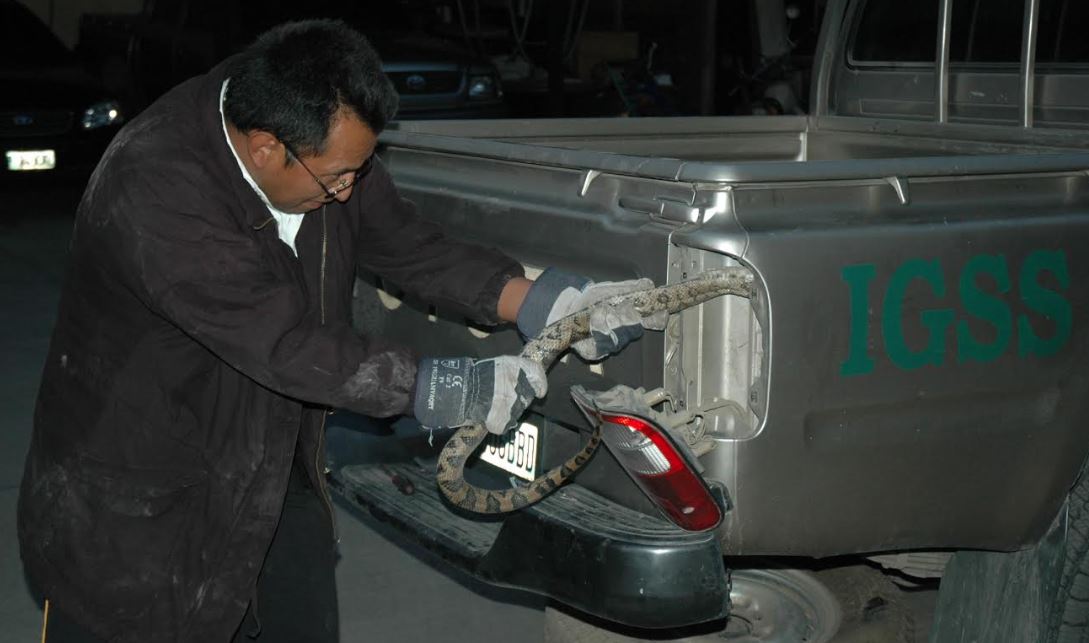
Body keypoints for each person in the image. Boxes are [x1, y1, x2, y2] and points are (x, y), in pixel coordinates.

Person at [17, 19, 662, 643]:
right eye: (338, 177)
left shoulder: (317, 143)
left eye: (360, 169)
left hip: (270, 470)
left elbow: (406, 244)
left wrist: (541, 302)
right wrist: (451, 387)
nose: (351, 190)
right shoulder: (155, 188)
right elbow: (286, 346)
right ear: (265, 147)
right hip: (140, 515)